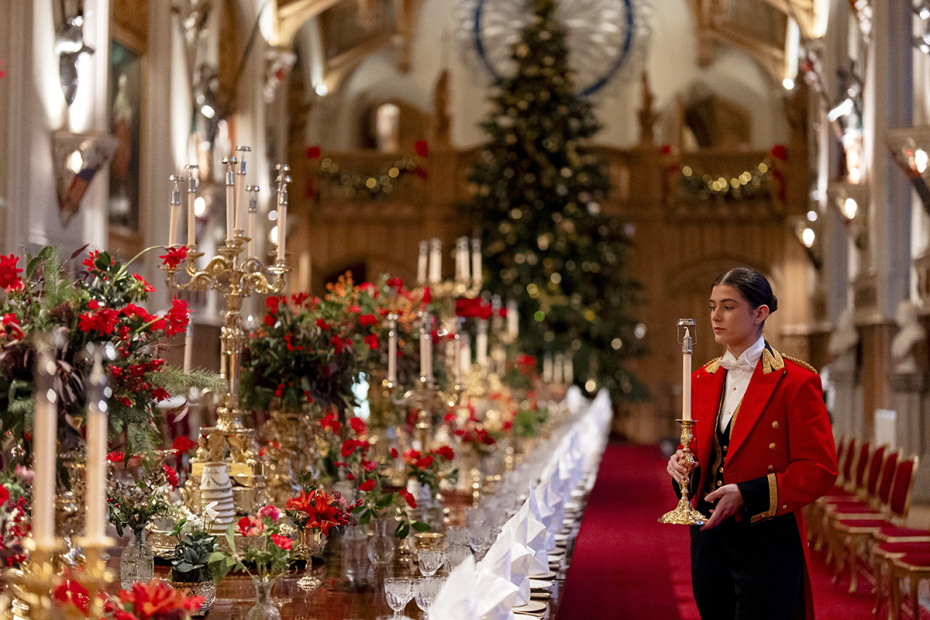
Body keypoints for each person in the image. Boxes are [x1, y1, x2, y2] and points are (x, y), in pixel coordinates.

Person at [667, 267, 837, 620]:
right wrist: (681, 469)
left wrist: (748, 493)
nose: (715, 316)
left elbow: (819, 469)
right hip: (709, 539)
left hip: (767, 539)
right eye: (712, 305)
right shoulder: (703, 378)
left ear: (760, 313)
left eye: (728, 306)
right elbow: (701, 455)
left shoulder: (796, 381)